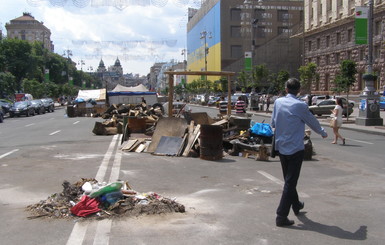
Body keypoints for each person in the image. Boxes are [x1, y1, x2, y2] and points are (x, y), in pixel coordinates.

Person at [271, 78, 328, 227]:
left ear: (286, 89)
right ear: (299, 90)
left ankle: (296, 205)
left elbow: (273, 122)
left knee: (289, 180)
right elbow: (311, 121)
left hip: (282, 146)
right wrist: (322, 132)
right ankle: (281, 216)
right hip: (295, 148)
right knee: (290, 182)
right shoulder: (300, 105)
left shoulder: (278, 102)